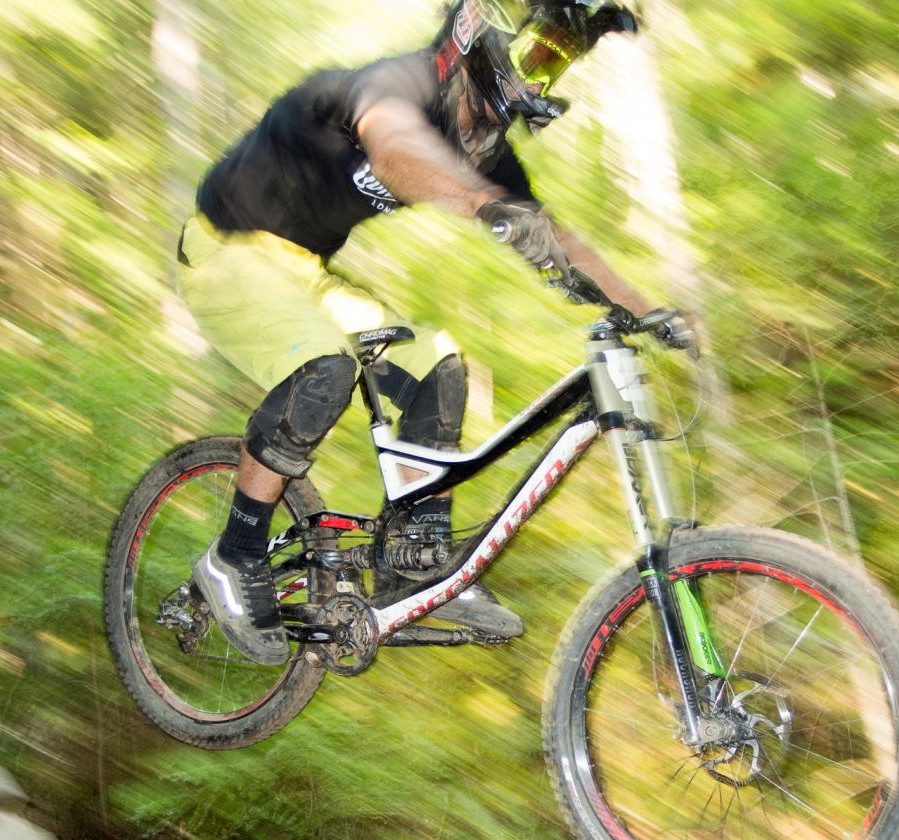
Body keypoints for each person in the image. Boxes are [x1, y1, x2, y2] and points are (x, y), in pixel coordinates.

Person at [179, 0, 687, 664]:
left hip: (305, 274)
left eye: (555, 63)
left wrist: (650, 311)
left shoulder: (485, 148)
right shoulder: (401, 83)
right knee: (325, 368)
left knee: (438, 364)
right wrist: (483, 202)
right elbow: (393, 150)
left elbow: (557, 238)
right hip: (226, 251)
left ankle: (415, 565)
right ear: (482, 32)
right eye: (538, 51)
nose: (540, 78)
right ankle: (234, 555)